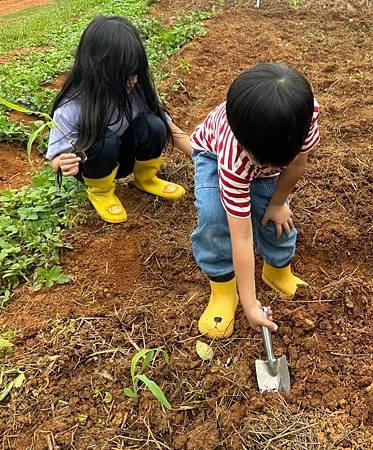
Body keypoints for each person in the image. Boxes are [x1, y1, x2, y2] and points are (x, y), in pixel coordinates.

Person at [190, 62, 320, 338]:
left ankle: (277, 269)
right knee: (215, 217)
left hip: (265, 151)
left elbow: (297, 164)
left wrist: (277, 202)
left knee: (276, 215)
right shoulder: (235, 156)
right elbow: (242, 237)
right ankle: (223, 287)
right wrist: (249, 303)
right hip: (213, 156)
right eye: (258, 161)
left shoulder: (302, 117)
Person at [46, 16, 192, 223]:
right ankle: (101, 192)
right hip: (95, 164)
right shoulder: (72, 106)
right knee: (104, 140)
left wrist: (202, 156)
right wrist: (63, 163)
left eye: (136, 72)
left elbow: (171, 128)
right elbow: (55, 158)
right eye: (124, 74)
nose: (133, 80)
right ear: (98, 70)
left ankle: (146, 179)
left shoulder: (137, 90)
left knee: (154, 124)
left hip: (125, 158)